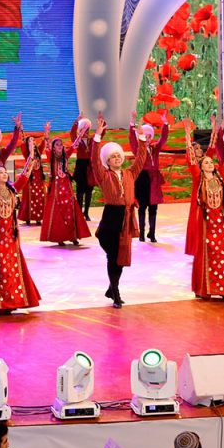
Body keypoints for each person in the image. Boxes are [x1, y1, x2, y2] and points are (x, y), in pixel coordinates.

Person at [0, 137, 42, 314]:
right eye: (1, 172)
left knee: (11, 267)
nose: (5, 174)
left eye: (5, 172)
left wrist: (31, 155)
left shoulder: (13, 191)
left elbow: (25, 176)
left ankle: (12, 300)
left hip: (11, 237)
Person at [90, 112, 149, 308]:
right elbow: (94, 160)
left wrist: (141, 137)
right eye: (112, 156)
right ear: (107, 161)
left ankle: (112, 288)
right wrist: (97, 136)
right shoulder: (103, 175)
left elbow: (141, 158)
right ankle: (115, 293)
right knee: (113, 256)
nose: (116, 158)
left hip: (126, 218)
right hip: (111, 219)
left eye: (118, 156)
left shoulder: (130, 173)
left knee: (121, 258)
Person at [186, 120, 224, 299]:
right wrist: (187, 136)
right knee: (206, 255)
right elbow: (191, 159)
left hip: (220, 223)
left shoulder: (220, 177)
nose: (210, 164)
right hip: (206, 223)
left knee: (223, 254)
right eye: (206, 162)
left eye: (211, 162)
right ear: (201, 167)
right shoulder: (199, 178)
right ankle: (205, 289)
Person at [40, 122, 91, 246]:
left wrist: (82, 132)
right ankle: (60, 236)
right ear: (53, 148)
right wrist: (46, 133)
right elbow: (46, 145)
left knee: (70, 209)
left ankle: (73, 236)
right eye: (57, 144)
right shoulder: (51, 156)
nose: (60, 146)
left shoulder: (66, 155)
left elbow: (75, 144)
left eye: (61, 144)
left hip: (67, 186)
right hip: (56, 188)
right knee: (58, 211)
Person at [129, 110, 169, 242]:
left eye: (149, 136)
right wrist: (132, 123)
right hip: (142, 178)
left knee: (153, 207)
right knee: (142, 206)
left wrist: (165, 123)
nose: (147, 138)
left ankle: (152, 233)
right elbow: (132, 140)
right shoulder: (137, 149)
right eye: (144, 135)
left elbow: (163, 139)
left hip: (154, 179)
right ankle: (141, 233)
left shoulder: (154, 148)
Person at [184, 115, 218, 256]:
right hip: (198, 195)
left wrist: (214, 127)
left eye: (199, 147)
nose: (199, 149)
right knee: (197, 221)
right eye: (196, 148)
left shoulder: (206, 160)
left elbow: (212, 146)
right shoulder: (194, 164)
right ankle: (197, 248)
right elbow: (189, 152)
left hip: (211, 194)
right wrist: (187, 134)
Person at [70, 114, 97, 221]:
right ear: (80, 130)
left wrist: (101, 122)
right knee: (80, 191)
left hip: (89, 167)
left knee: (89, 191)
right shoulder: (77, 140)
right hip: (80, 166)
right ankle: (79, 213)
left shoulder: (92, 140)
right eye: (83, 129)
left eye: (87, 129)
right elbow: (72, 133)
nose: (85, 131)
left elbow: (101, 134)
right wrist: (76, 121)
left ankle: (86, 213)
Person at [18, 131, 46, 225]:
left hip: (38, 179)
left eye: (33, 140)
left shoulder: (38, 152)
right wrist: (21, 129)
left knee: (39, 197)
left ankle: (38, 218)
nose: (32, 142)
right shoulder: (26, 153)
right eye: (30, 141)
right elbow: (22, 143)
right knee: (28, 197)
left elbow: (43, 144)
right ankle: (28, 218)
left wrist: (46, 133)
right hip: (29, 179)